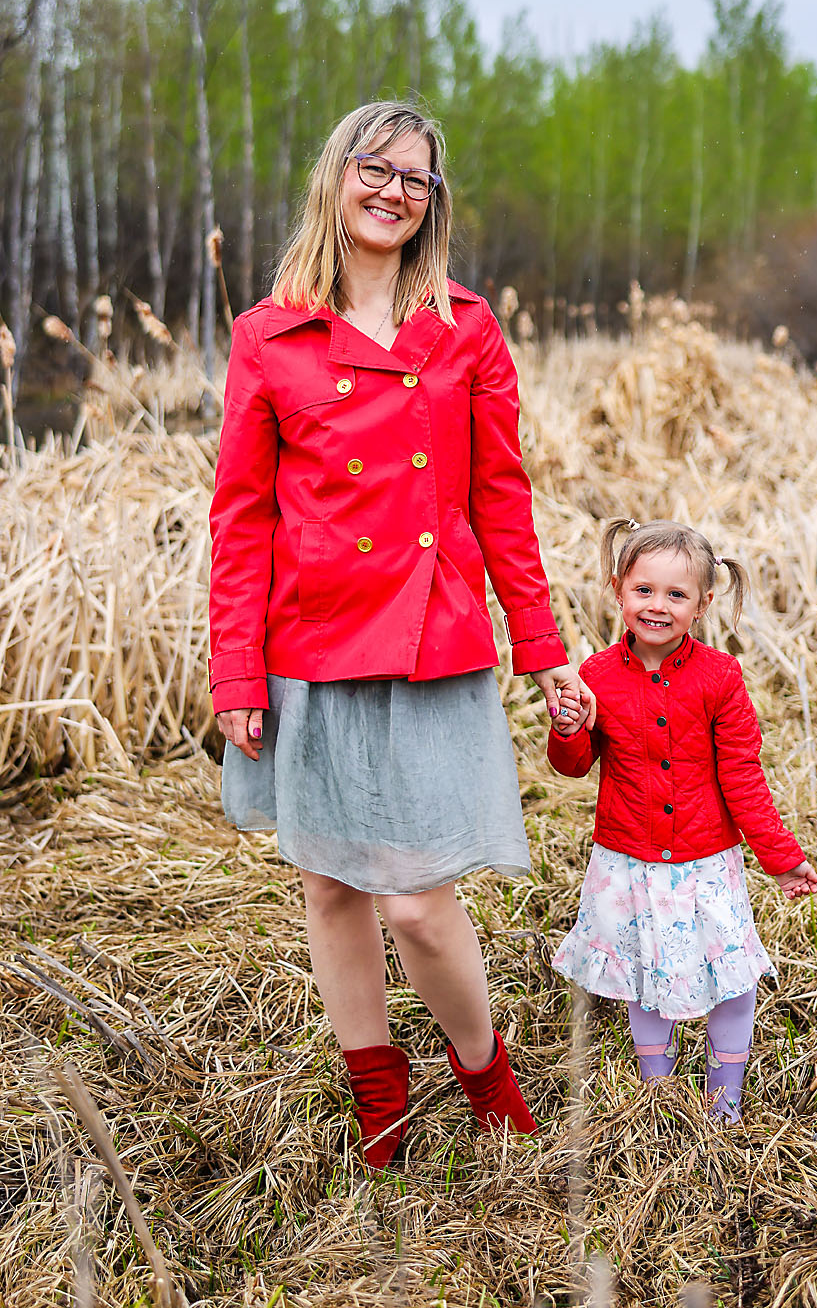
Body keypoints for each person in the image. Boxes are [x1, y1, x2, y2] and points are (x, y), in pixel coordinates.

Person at [209, 100, 590, 1169]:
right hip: (308, 645)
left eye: (414, 178)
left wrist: (541, 644)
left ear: (434, 201)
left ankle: (483, 1071)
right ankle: (376, 1089)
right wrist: (236, 666)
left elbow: (500, 496)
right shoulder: (268, 333)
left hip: (432, 638)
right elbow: (240, 517)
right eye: (374, 168)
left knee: (419, 900)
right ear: (337, 178)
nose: (391, 190)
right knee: (329, 881)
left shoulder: (464, 325)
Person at [547, 518, 817, 1122]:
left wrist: (781, 857)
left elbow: (742, 774)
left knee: (730, 976)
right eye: (645, 590)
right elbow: (575, 764)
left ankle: (725, 1099)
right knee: (645, 971)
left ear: (703, 604)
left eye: (676, 595)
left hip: (704, 861)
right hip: (628, 857)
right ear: (617, 589)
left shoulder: (720, 677)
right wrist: (567, 728)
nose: (658, 606)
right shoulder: (594, 675)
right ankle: (658, 1092)